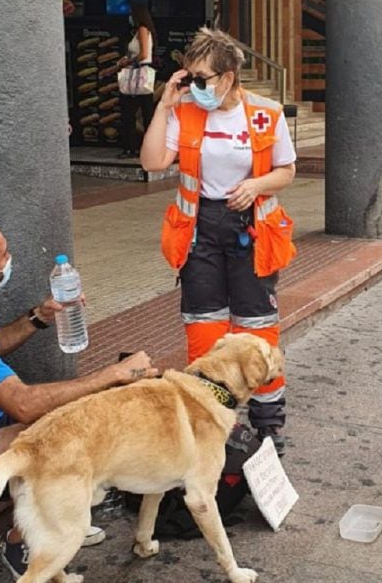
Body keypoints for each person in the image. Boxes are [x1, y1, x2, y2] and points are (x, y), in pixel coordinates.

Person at [0, 216, 158, 579]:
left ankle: (57, 516)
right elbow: (23, 404)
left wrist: (39, 317)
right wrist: (112, 375)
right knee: (46, 442)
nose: (10, 260)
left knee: (73, 421)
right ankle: (20, 542)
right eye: (2, 256)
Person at [140, 27, 297, 456]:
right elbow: (153, 161)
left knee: (258, 329)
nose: (195, 86)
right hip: (200, 231)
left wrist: (258, 185)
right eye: (189, 76)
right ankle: (213, 418)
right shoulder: (185, 110)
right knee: (203, 325)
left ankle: (269, 425)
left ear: (228, 77)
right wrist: (164, 106)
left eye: (203, 78)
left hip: (252, 229)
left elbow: (287, 170)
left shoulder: (266, 112)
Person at [117, 2, 156, 159]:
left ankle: (131, 147)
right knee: (146, 112)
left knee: (130, 112)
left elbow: (143, 54)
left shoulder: (142, 30)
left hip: (138, 73)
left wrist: (126, 62)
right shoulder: (144, 31)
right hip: (143, 73)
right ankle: (147, 148)